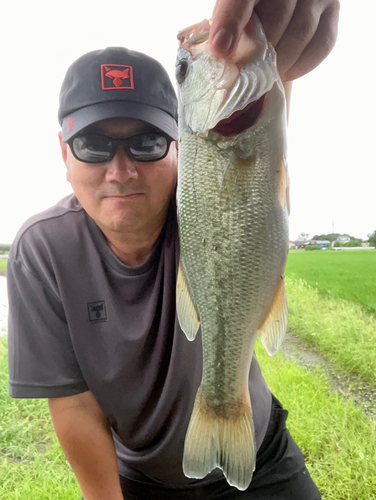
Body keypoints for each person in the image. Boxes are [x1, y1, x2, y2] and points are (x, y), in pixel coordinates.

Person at [7, 1, 340, 499]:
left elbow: (261, 155)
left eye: (147, 142)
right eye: (94, 145)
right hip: (144, 479)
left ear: (180, 146)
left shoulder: (200, 199)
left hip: (262, 449)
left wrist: (274, 51)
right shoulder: (42, 251)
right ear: (63, 152)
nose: (120, 171)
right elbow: (74, 407)